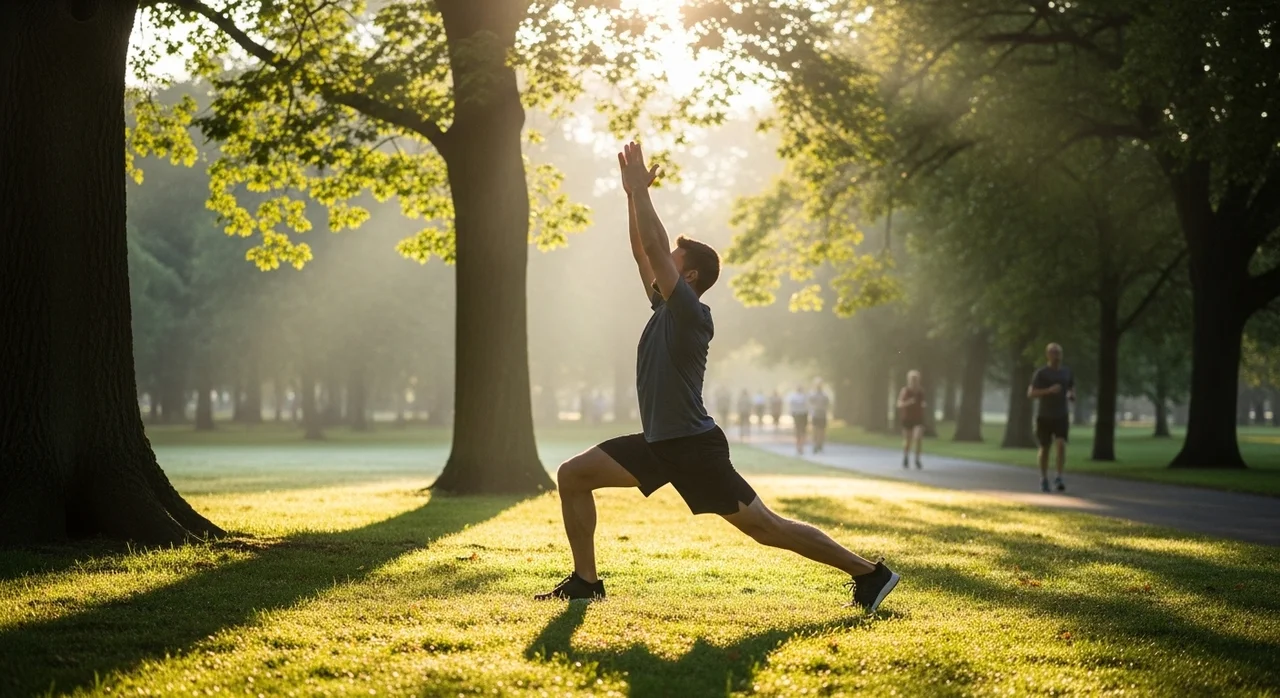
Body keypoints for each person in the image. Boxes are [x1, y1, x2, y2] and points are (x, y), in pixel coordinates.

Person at [536, 141, 900, 614]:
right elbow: (643, 252)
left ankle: (870, 573)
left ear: (688, 277)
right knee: (573, 475)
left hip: (692, 447)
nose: (662, 260)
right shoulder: (664, 307)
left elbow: (653, 248)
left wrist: (641, 193)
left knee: (767, 528)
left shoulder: (690, 315)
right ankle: (586, 582)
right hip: (660, 443)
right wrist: (633, 195)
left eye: (673, 258)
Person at [1028, 343, 1074, 493]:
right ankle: (1044, 478)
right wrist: (1049, 390)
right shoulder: (1041, 373)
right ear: (1048, 355)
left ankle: (1059, 477)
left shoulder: (1066, 372)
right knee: (1045, 448)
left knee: (1061, 444)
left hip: (1061, 414)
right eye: (1054, 353)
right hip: (1044, 415)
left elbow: (1071, 388)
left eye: (1059, 353)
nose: (1057, 356)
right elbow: (1031, 393)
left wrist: (1071, 395)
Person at [897, 371, 926, 469]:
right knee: (908, 440)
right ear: (909, 380)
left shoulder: (921, 392)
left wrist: (923, 405)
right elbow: (899, 404)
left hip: (918, 419)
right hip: (907, 418)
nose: (914, 382)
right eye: (912, 380)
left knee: (918, 438)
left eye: (916, 380)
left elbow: (923, 403)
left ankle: (917, 459)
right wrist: (908, 402)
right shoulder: (905, 391)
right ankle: (906, 457)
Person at [809, 382, 831, 454]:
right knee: (819, 430)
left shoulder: (816, 395)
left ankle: (818, 444)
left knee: (819, 430)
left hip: (819, 414)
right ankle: (818, 444)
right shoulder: (822, 395)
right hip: (819, 414)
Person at [787, 385, 809, 455]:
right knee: (798, 431)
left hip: (803, 414)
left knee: (802, 431)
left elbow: (807, 406)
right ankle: (798, 445)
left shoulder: (804, 396)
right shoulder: (794, 396)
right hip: (797, 415)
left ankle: (801, 445)